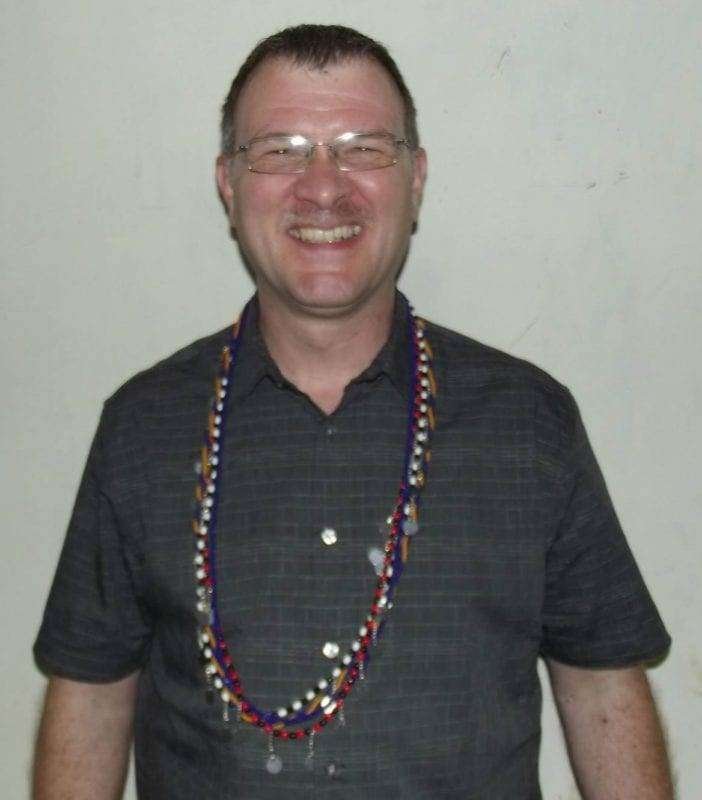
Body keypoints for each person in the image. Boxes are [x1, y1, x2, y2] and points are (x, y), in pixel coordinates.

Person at [32, 24, 673, 800]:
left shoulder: (531, 424)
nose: (324, 186)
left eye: (362, 149)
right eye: (282, 151)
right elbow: (92, 695)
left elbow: (602, 687)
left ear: (416, 178)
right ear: (229, 184)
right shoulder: (143, 429)